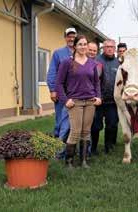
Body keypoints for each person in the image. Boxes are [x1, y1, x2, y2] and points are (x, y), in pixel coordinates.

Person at [56, 35, 102, 168]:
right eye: (80, 44)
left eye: (85, 44)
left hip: (90, 101)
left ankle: (83, 161)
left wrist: (98, 97)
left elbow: (96, 83)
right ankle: (69, 161)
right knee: (75, 131)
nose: (83, 47)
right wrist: (65, 100)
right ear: (75, 46)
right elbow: (59, 84)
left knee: (86, 131)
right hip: (75, 102)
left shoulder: (92, 64)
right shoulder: (67, 62)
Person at [46, 27, 76, 143]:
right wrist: (52, 89)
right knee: (61, 120)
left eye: (73, 36)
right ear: (65, 38)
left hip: (76, 93)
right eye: (69, 36)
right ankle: (58, 145)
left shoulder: (80, 52)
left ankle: (71, 145)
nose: (71, 38)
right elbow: (52, 72)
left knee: (74, 122)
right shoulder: (58, 53)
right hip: (62, 93)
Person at [91, 39, 120, 154]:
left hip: (112, 101)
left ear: (115, 49)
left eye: (111, 47)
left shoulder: (118, 63)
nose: (109, 48)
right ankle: (93, 148)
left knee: (112, 124)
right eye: (107, 46)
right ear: (103, 48)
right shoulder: (96, 60)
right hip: (98, 100)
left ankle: (108, 146)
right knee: (95, 126)